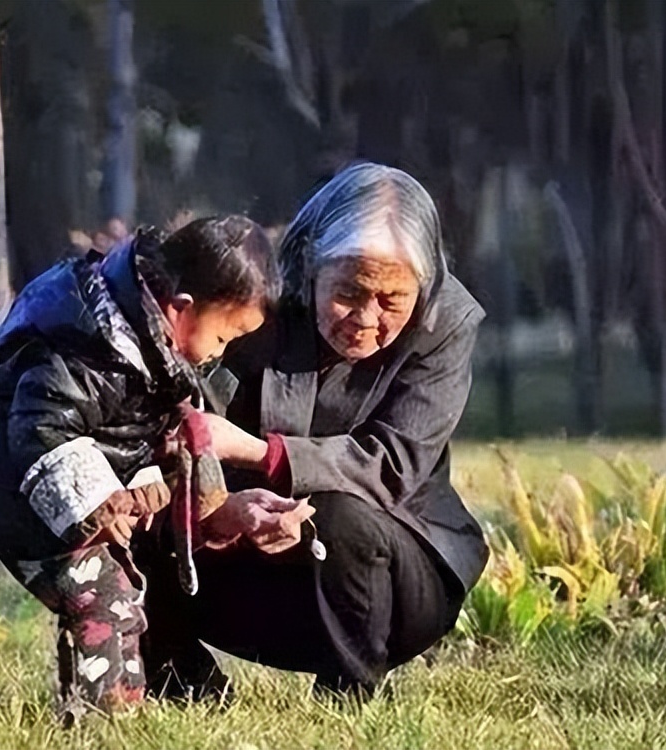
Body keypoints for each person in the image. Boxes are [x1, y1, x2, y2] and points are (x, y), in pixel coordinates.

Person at [141, 163, 489, 701]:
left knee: (340, 511)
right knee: (134, 500)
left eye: (392, 301)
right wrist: (226, 506)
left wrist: (261, 455)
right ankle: (181, 679)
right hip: (245, 560)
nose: (366, 318)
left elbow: (390, 467)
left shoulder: (447, 324)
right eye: (349, 291)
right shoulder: (249, 289)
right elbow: (182, 418)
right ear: (310, 264)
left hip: (393, 583)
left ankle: (351, 692)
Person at [0, 216, 313, 721]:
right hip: (26, 506)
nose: (219, 354)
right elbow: (40, 429)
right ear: (180, 309)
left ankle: (120, 701)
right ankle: (101, 714)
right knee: (103, 602)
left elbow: (140, 440)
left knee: (120, 601)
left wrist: (166, 494)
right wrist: (98, 502)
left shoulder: (154, 359)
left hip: (74, 511)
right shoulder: (87, 348)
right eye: (223, 338)